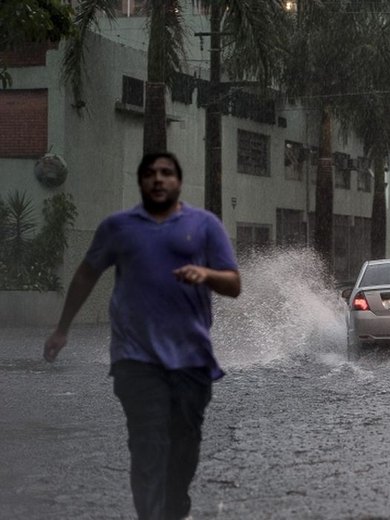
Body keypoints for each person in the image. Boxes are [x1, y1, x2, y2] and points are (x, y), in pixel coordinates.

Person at [43, 152, 241, 520]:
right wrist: (62, 328)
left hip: (192, 361)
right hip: (135, 360)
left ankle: (174, 506)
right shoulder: (118, 227)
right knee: (148, 447)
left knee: (183, 449)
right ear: (141, 182)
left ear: (179, 182)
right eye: (150, 174)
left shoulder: (205, 225)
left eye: (166, 173)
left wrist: (205, 274)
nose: (158, 179)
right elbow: (86, 274)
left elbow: (233, 284)